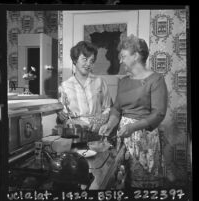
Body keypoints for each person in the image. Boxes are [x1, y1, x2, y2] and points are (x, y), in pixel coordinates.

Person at [99, 34, 168, 188]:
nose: (120, 60)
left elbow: (158, 114)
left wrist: (132, 127)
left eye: (123, 56)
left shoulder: (156, 80)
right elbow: (117, 109)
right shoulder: (123, 81)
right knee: (121, 181)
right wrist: (110, 124)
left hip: (144, 138)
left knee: (142, 185)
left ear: (136, 56)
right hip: (123, 137)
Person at [57, 41, 112, 132]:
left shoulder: (100, 82)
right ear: (75, 60)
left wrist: (98, 123)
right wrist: (61, 116)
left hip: (97, 133)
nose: (88, 64)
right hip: (74, 134)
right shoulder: (65, 86)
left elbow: (108, 108)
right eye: (85, 59)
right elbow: (63, 114)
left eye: (91, 61)